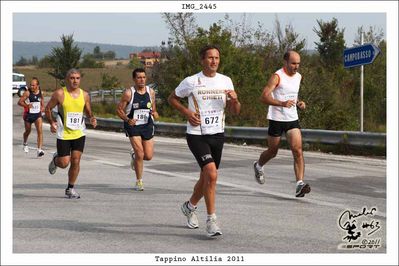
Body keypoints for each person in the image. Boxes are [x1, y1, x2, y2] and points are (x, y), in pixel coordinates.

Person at [168, 45, 241, 237]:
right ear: (202, 60)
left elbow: (235, 112)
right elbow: (172, 98)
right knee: (211, 174)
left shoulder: (226, 81)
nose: (214, 61)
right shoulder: (192, 81)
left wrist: (234, 101)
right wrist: (187, 112)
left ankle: (189, 206)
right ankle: (211, 220)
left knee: (207, 177)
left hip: (217, 134)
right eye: (210, 58)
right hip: (197, 134)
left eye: (217, 57)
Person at [253, 50, 311, 197]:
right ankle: (259, 165)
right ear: (285, 62)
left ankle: (299, 184)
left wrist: (299, 103)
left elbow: (292, 95)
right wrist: (281, 103)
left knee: (297, 150)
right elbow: (263, 97)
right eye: (293, 63)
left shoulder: (298, 76)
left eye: (298, 63)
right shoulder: (277, 77)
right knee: (273, 151)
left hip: (292, 119)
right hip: (276, 119)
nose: (296, 66)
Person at [45, 68, 97, 199]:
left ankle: (70, 188)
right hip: (64, 133)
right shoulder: (60, 94)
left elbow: (88, 110)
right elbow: (48, 108)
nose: (75, 81)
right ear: (67, 79)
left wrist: (92, 118)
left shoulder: (84, 95)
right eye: (72, 78)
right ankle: (56, 160)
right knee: (64, 163)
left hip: (79, 132)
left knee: (76, 160)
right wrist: (52, 122)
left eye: (77, 78)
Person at [116, 68, 159, 191]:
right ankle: (139, 181)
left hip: (147, 125)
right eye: (139, 77)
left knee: (148, 156)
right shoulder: (129, 93)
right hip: (133, 126)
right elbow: (119, 110)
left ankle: (134, 157)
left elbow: (154, 109)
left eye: (144, 77)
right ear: (134, 79)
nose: (142, 80)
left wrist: (155, 114)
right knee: (141, 153)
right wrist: (127, 119)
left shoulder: (151, 92)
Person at [18, 77, 45, 157]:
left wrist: (42, 107)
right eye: (31, 85)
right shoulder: (27, 93)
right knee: (28, 131)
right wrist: (27, 105)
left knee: (40, 131)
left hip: (37, 115)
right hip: (28, 115)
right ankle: (25, 143)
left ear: (38, 85)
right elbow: (19, 102)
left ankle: (39, 150)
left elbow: (42, 102)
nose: (31, 87)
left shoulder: (41, 92)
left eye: (33, 85)